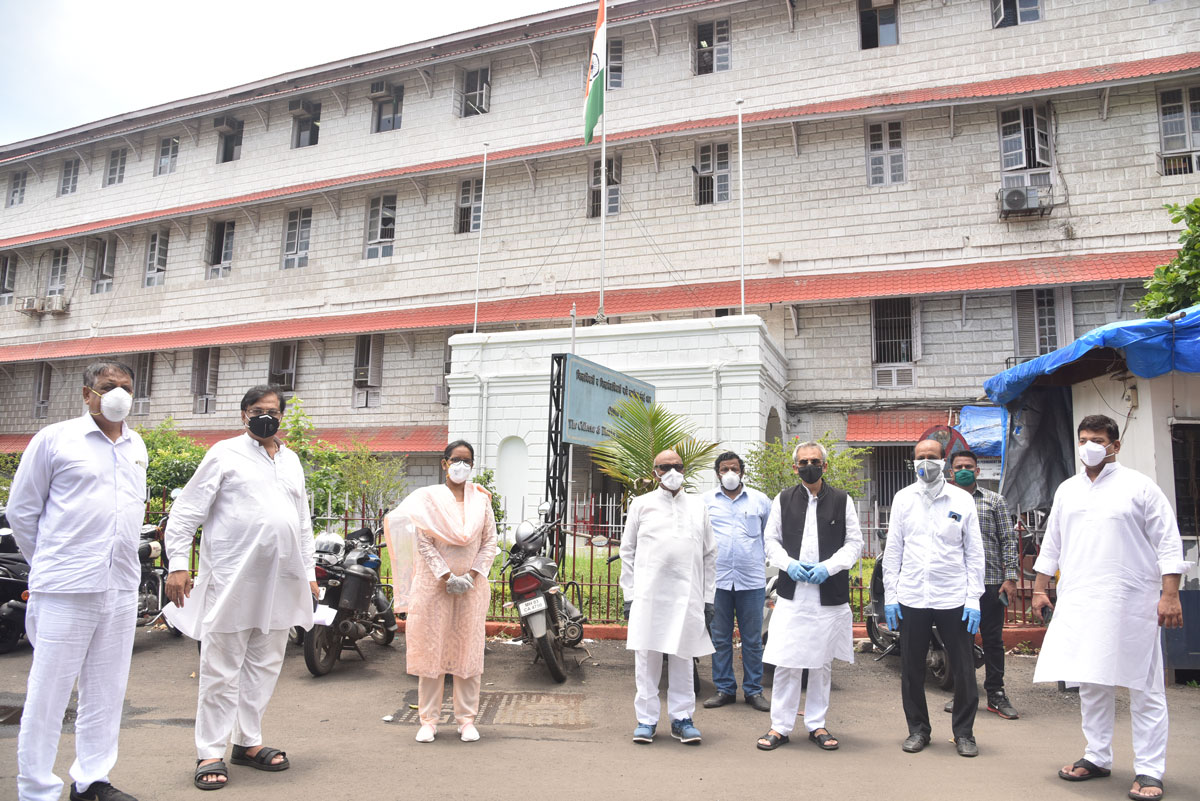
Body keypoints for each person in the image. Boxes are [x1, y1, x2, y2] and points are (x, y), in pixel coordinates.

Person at [163, 386, 317, 791]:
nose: (266, 417)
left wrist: (309, 571)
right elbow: (186, 512)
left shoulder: (291, 461)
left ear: (281, 417)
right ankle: (210, 750)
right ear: (243, 415)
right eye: (257, 410)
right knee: (221, 668)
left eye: (273, 411)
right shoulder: (224, 454)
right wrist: (177, 564)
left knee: (265, 665)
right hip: (232, 579)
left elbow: (302, 521)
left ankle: (247, 741)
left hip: (280, 581)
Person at [8, 361, 147, 801]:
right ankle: (36, 789)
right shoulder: (55, 439)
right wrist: (53, 563)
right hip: (65, 588)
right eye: (108, 386)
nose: (118, 394)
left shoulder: (136, 445)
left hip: (119, 586)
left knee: (106, 691)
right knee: (48, 692)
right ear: (88, 394)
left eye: (126, 386)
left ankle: (92, 780)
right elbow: (22, 511)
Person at [1032, 414, 1186, 801]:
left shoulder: (1140, 487)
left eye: (1098, 440)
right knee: (1091, 681)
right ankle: (1097, 756)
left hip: (1132, 601)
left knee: (1145, 686)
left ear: (1115, 445)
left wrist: (1170, 595)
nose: (1089, 446)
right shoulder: (1068, 490)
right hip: (1081, 599)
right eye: (1083, 439)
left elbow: (1168, 543)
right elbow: (1052, 543)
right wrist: (1040, 589)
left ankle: (1150, 769)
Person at [384, 440, 498, 744]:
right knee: (430, 651)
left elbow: (489, 541)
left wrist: (471, 576)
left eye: (467, 461)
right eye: (456, 460)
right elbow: (423, 542)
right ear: (444, 463)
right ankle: (428, 721)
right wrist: (447, 575)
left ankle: (466, 720)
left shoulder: (481, 501)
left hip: (472, 589)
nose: (461, 465)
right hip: (434, 587)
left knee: (468, 652)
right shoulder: (428, 500)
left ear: (472, 465)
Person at [756, 441, 863, 752]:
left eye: (815, 461)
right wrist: (788, 564)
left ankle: (817, 724)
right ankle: (780, 726)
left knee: (821, 662)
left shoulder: (842, 500)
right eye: (803, 462)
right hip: (793, 594)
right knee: (786, 660)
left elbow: (854, 543)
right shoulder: (783, 499)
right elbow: (770, 540)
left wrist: (829, 568)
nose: (809, 466)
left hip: (827, 593)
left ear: (824, 466)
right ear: (795, 467)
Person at [882, 438, 985, 757]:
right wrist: (890, 595)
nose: (925, 462)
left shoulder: (961, 500)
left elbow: (974, 552)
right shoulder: (903, 499)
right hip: (912, 596)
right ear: (913, 462)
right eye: (920, 457)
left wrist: (973, 598)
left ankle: (964, 733)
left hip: (952, 596)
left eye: (931, 457)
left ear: (943, 461)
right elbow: (893, 549)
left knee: (964, 667)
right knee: (911, 667)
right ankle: (918, 730)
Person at [620, 449, 717, 745]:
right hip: (648, 596)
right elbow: (627, 551)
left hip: (687, 596)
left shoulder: (698, 506)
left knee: (683, 657)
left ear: (684, 470)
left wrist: (708, 598)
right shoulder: (641, 504)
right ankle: (646, 720)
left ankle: (682, 719)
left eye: (677, 466)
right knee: (646, 657)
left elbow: (710, 554)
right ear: (655, 473)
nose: (672, 472)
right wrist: (629, 594)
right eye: (664, 467)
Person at [943, 449, 1020, 720]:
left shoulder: (994, 500)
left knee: (993, 640)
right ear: (951, 472)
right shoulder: (944, 501)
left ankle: (996, 693)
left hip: (990, 582)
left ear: (977, 471)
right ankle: (963, 693)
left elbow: (1008, 539)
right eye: (958, 467)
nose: (963, 470)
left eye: (969, 466)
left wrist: (1010, 577)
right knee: (959, 641)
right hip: (956, 584)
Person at [702, 451, 772, 712]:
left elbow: (770, 536)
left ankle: (754, 690)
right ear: (717, 473)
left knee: (752, 639)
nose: (729, 473)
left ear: (742, 471)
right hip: (718, 581)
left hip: (751, 581)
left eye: (734, 468)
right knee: (720, 638)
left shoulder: (760, 501)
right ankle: (724, 689)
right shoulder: (705, 502)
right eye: (724, 469)